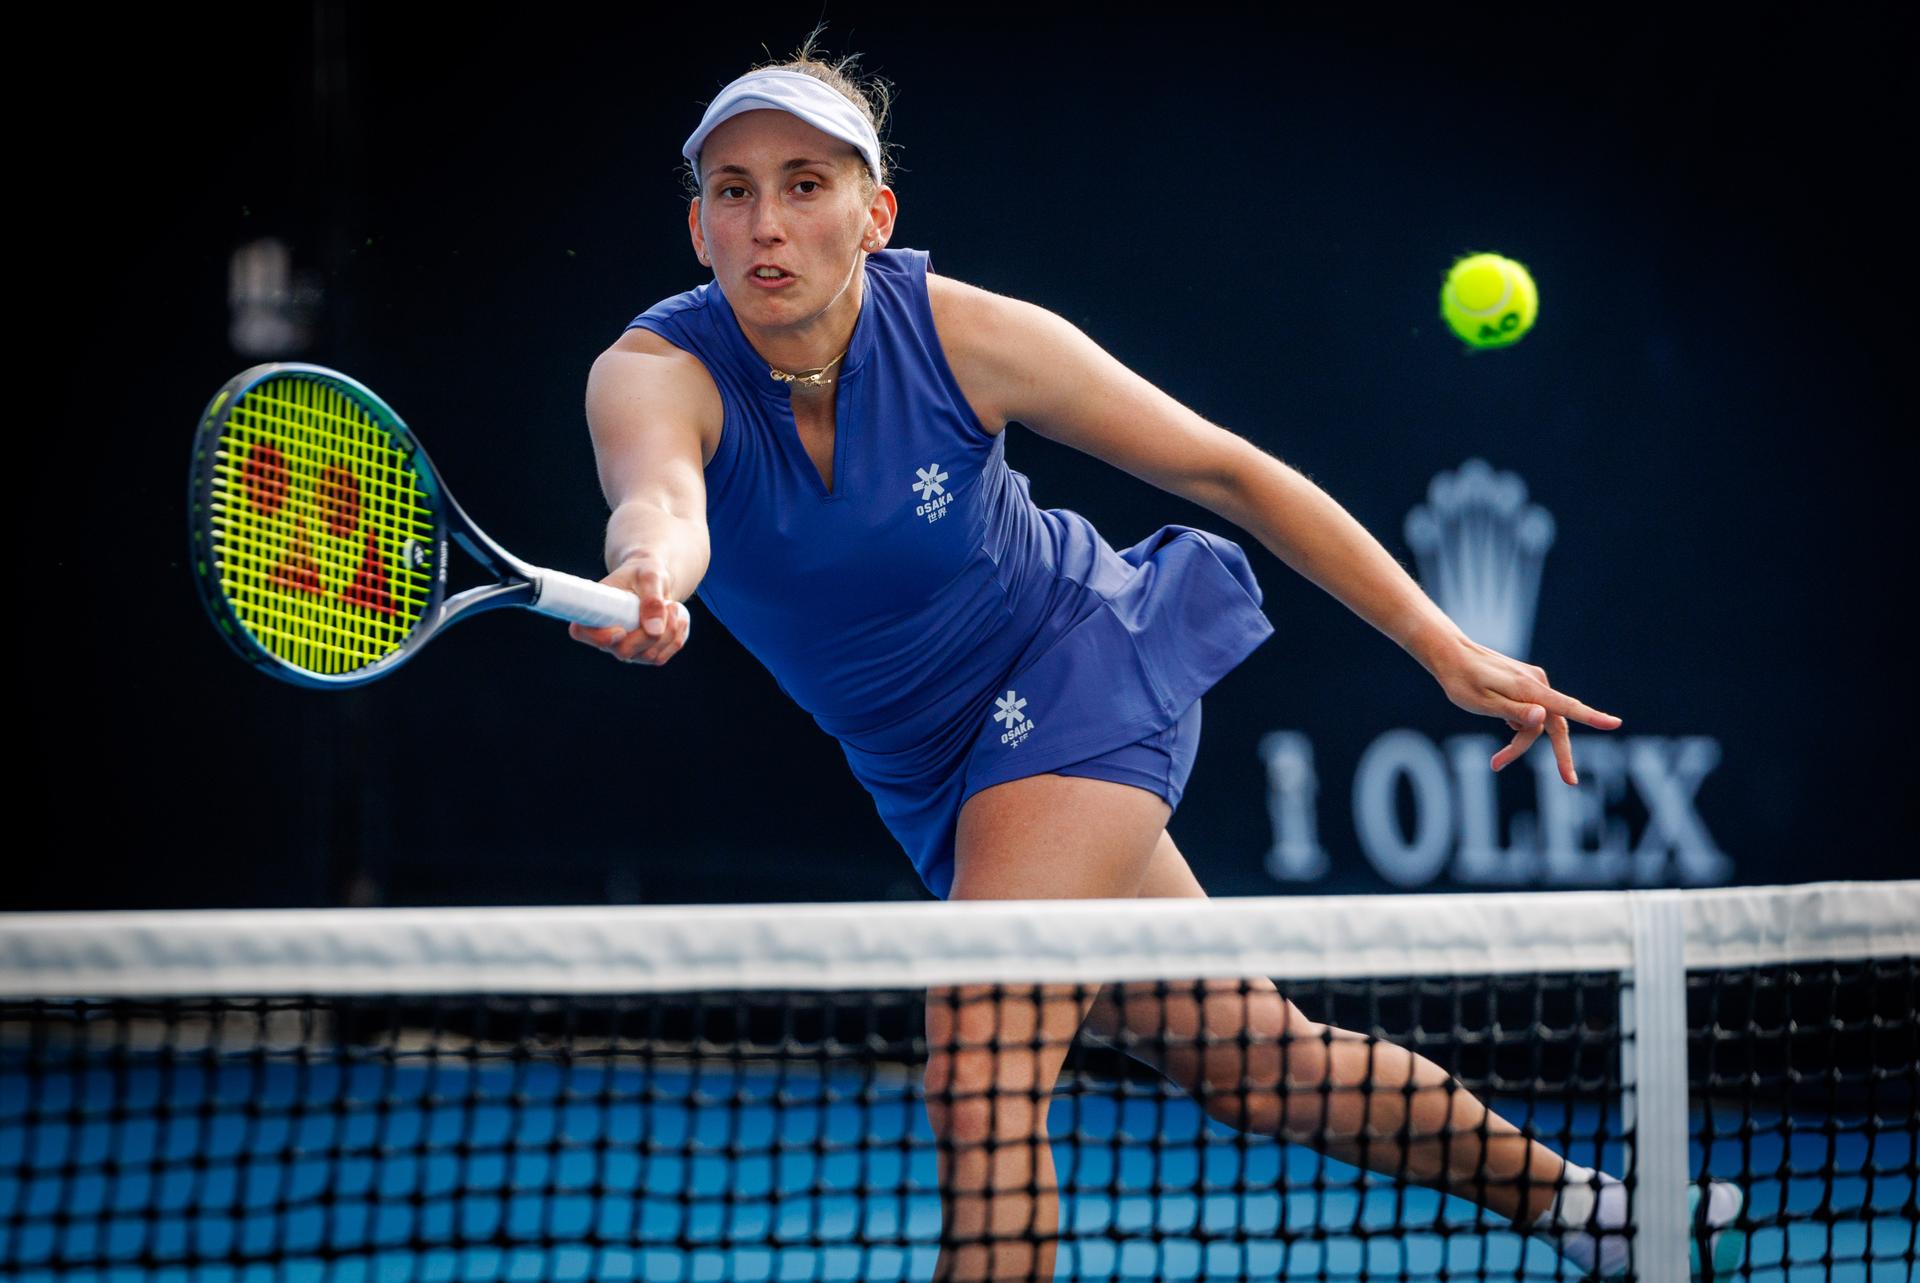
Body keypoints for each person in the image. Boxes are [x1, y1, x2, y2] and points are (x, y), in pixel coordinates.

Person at [569, 38, 1742, 1283]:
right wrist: (649, 573)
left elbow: (1223, 469)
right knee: (1259, 1065)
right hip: (928, 772)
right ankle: (1604, 1215)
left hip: (1076, 663)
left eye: (807, 183)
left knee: (980, 1062)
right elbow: (661, 504)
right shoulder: (651, 372)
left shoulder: (968, 335)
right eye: (734, 189)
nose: (768, 220)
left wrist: (1441, 643)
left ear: (875, 212)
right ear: (697, 227)